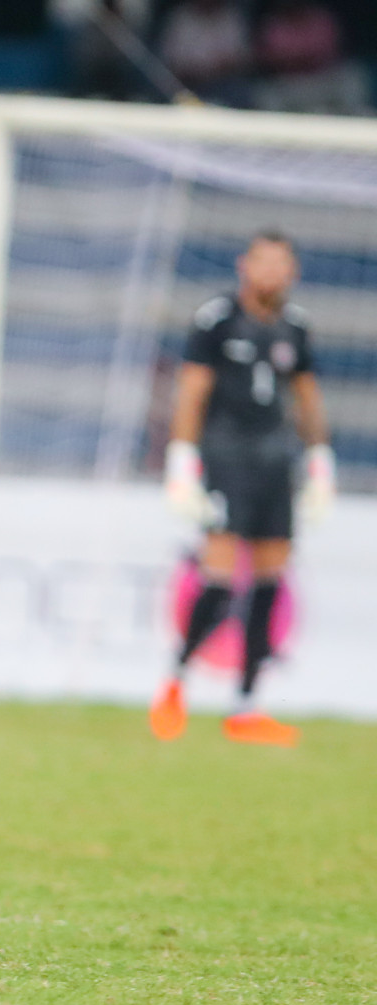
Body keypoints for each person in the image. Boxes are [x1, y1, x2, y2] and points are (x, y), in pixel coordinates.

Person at [153, 230, 334, 748]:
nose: (272, 272)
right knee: (219, 570)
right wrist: (182, 460)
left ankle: (247, 707)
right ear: (244, 266)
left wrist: (319, 460)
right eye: (264, 262)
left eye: (282, 264)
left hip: (277, 461)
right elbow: (191, 392)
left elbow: (306, 397)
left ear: (293, 272)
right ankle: (176, 681)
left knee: (271, 577)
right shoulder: (216, 319)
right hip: (226, 457)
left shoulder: (296, 327)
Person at [157, 0, 254, 107]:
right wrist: (198, 71)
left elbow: (240, 57)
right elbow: (173, 61)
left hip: (224, 85)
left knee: (240, 91)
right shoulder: (181, 17)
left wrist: (213, 70)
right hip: (187, 85)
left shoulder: (231, 16)